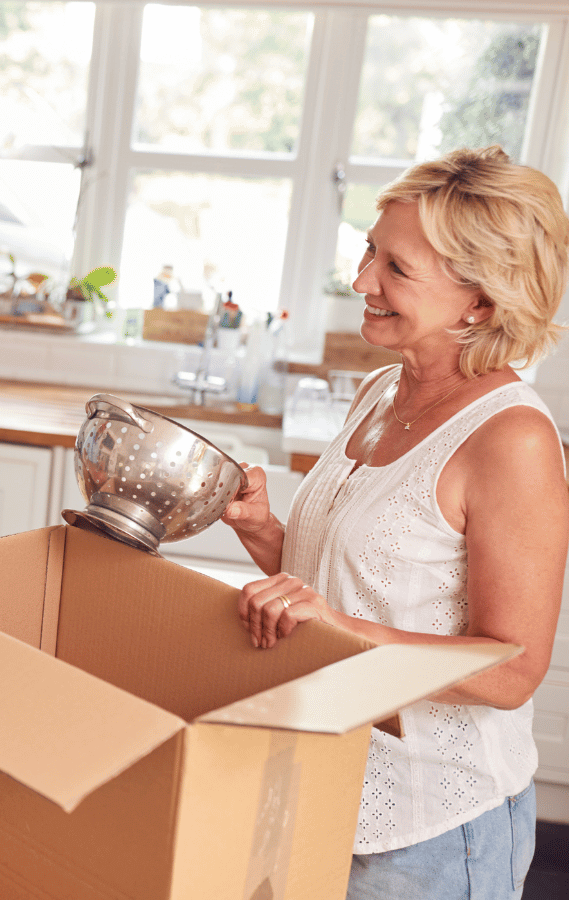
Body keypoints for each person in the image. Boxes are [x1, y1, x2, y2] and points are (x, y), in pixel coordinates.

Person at [222, 146, 569, 898]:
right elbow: (356, 593)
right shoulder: (383, 389)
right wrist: (265, 536)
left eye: (397, 270)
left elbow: (511, 671)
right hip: (324, 776)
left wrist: (339, 630)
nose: (362, 282)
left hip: (431, 825)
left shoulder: (512, 440)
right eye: (370, 252)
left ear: (479, 302)